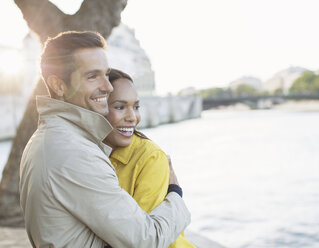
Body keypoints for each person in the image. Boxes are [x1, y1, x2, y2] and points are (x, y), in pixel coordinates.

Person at [19, 31, 191, 248]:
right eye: (93, 76)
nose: (107, 86)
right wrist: (175, 194)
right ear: (58, 85)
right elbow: (145, 240)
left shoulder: (47, 139)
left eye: (106, 74)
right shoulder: (74, 152)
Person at [104, 69, 195, 248]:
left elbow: (144, 240)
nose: (133, 117)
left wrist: (176, 193)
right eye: (120, 107)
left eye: (136, 107)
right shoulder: (88, 155)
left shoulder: (151, 158)